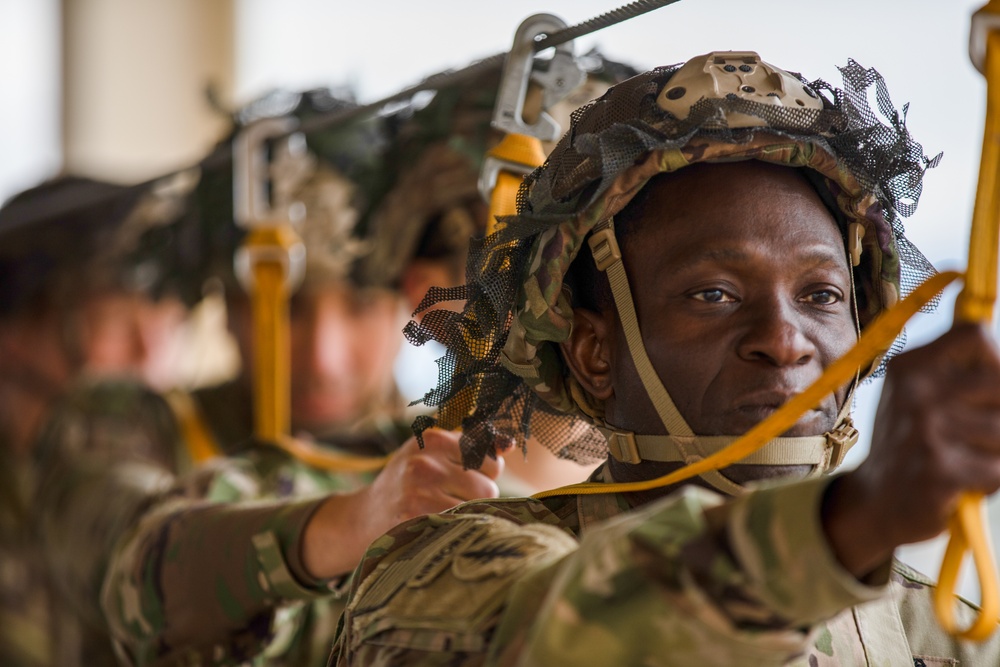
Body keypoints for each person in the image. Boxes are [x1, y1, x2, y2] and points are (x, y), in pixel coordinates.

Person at [330, 51, 1000, 665]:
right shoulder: (439, 569)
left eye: (821, 294)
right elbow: (575, 637)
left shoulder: (943, 633)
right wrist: (859, 517)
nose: (785, 338)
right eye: (714, 293)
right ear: (594, 352)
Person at [31, 90, 504, 667]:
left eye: (357, 307)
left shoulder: (434, 452)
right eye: (287, 309)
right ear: (227, 308)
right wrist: (354, 522)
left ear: (408, 301)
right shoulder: (128, 423)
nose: (323, 357)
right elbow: (126, 565)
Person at [0, 175, 191, 667]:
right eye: (110, 320)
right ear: (14, 332)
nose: (150, 349)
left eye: (162, 311)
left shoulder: (205, 469)